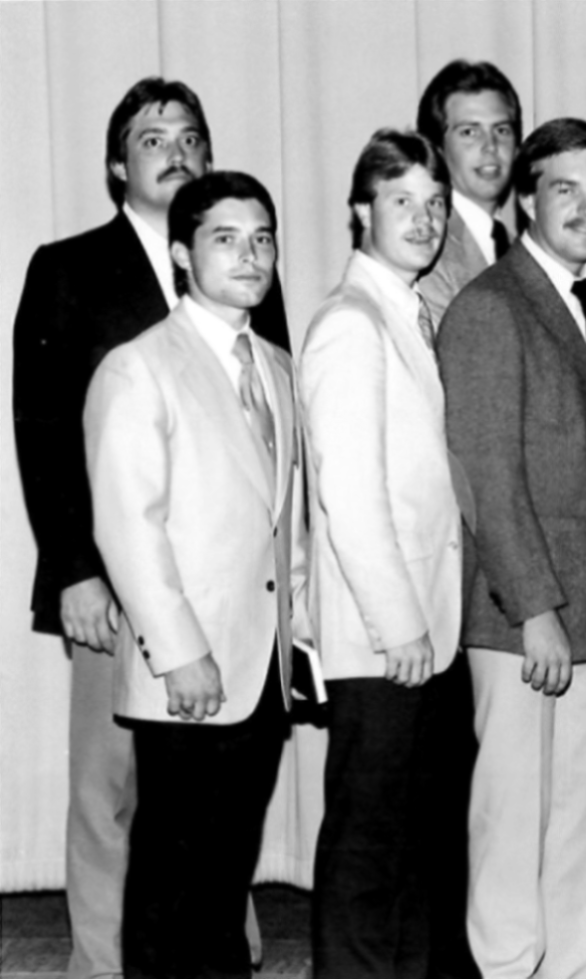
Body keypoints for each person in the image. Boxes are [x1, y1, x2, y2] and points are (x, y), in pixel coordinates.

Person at [10, 76, 288, 979]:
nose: (176, 151)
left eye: (191, 136)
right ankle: (103, 963)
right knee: (113, 786)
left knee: (218, 778)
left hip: (234, 589)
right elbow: (44, 430)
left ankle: (227, 949)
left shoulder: (243, 269)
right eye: (152, 138)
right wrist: (75, 569)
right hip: (115, 578)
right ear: (115, 166)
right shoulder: (67, 266)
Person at [83, 171, 301, 979]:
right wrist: (180, 653)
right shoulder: (138, 368)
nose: (250, 255)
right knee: (170, 879)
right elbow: (127, 526)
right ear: (181, 254)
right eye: (226, 238)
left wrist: (300, 635)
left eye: (262, 238)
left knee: (225, 871)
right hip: (188, 670)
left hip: (263, 662)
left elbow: (284, 521)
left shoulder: (275, 365)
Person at [437, 117, 586, 979]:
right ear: (526, 199)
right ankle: (509, 967)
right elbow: (487, 475)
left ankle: (568, 968)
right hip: (526, 616)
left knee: (580, 817)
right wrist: (535, 609)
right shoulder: (490, 307)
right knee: (514, 818)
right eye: (565, 189)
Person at [300, 129, 471, 979]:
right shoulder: (350, 323)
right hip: (385, 639)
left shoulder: (404, 311)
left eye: (435, 203)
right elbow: (351, 495)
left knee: (410, 847)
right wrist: (398, 624)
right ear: (360, 212)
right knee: (370, 850)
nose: (423, 218)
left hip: (423, 631)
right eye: (402, 201)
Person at [416, 59, 521, 323]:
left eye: (502, 130)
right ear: (436, 149)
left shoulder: (522, 250)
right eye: (469, 132)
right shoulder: (426, 250)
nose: (491, 146)